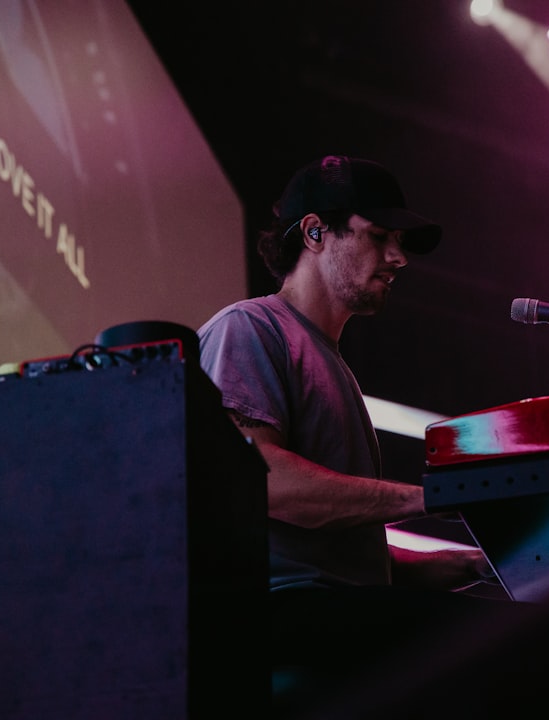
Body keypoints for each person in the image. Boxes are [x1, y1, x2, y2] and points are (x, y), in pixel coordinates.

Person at [197, 154, 521, 712]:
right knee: (523, 644)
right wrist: (434, 497)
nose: (399, 257)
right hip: (277, 615)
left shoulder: (332, 364)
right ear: (315, 232)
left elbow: (344, 557)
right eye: (379, 236)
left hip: (331, 608)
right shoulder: (249, 328)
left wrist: (475, 564)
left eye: (400, 241)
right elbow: (264, 484)